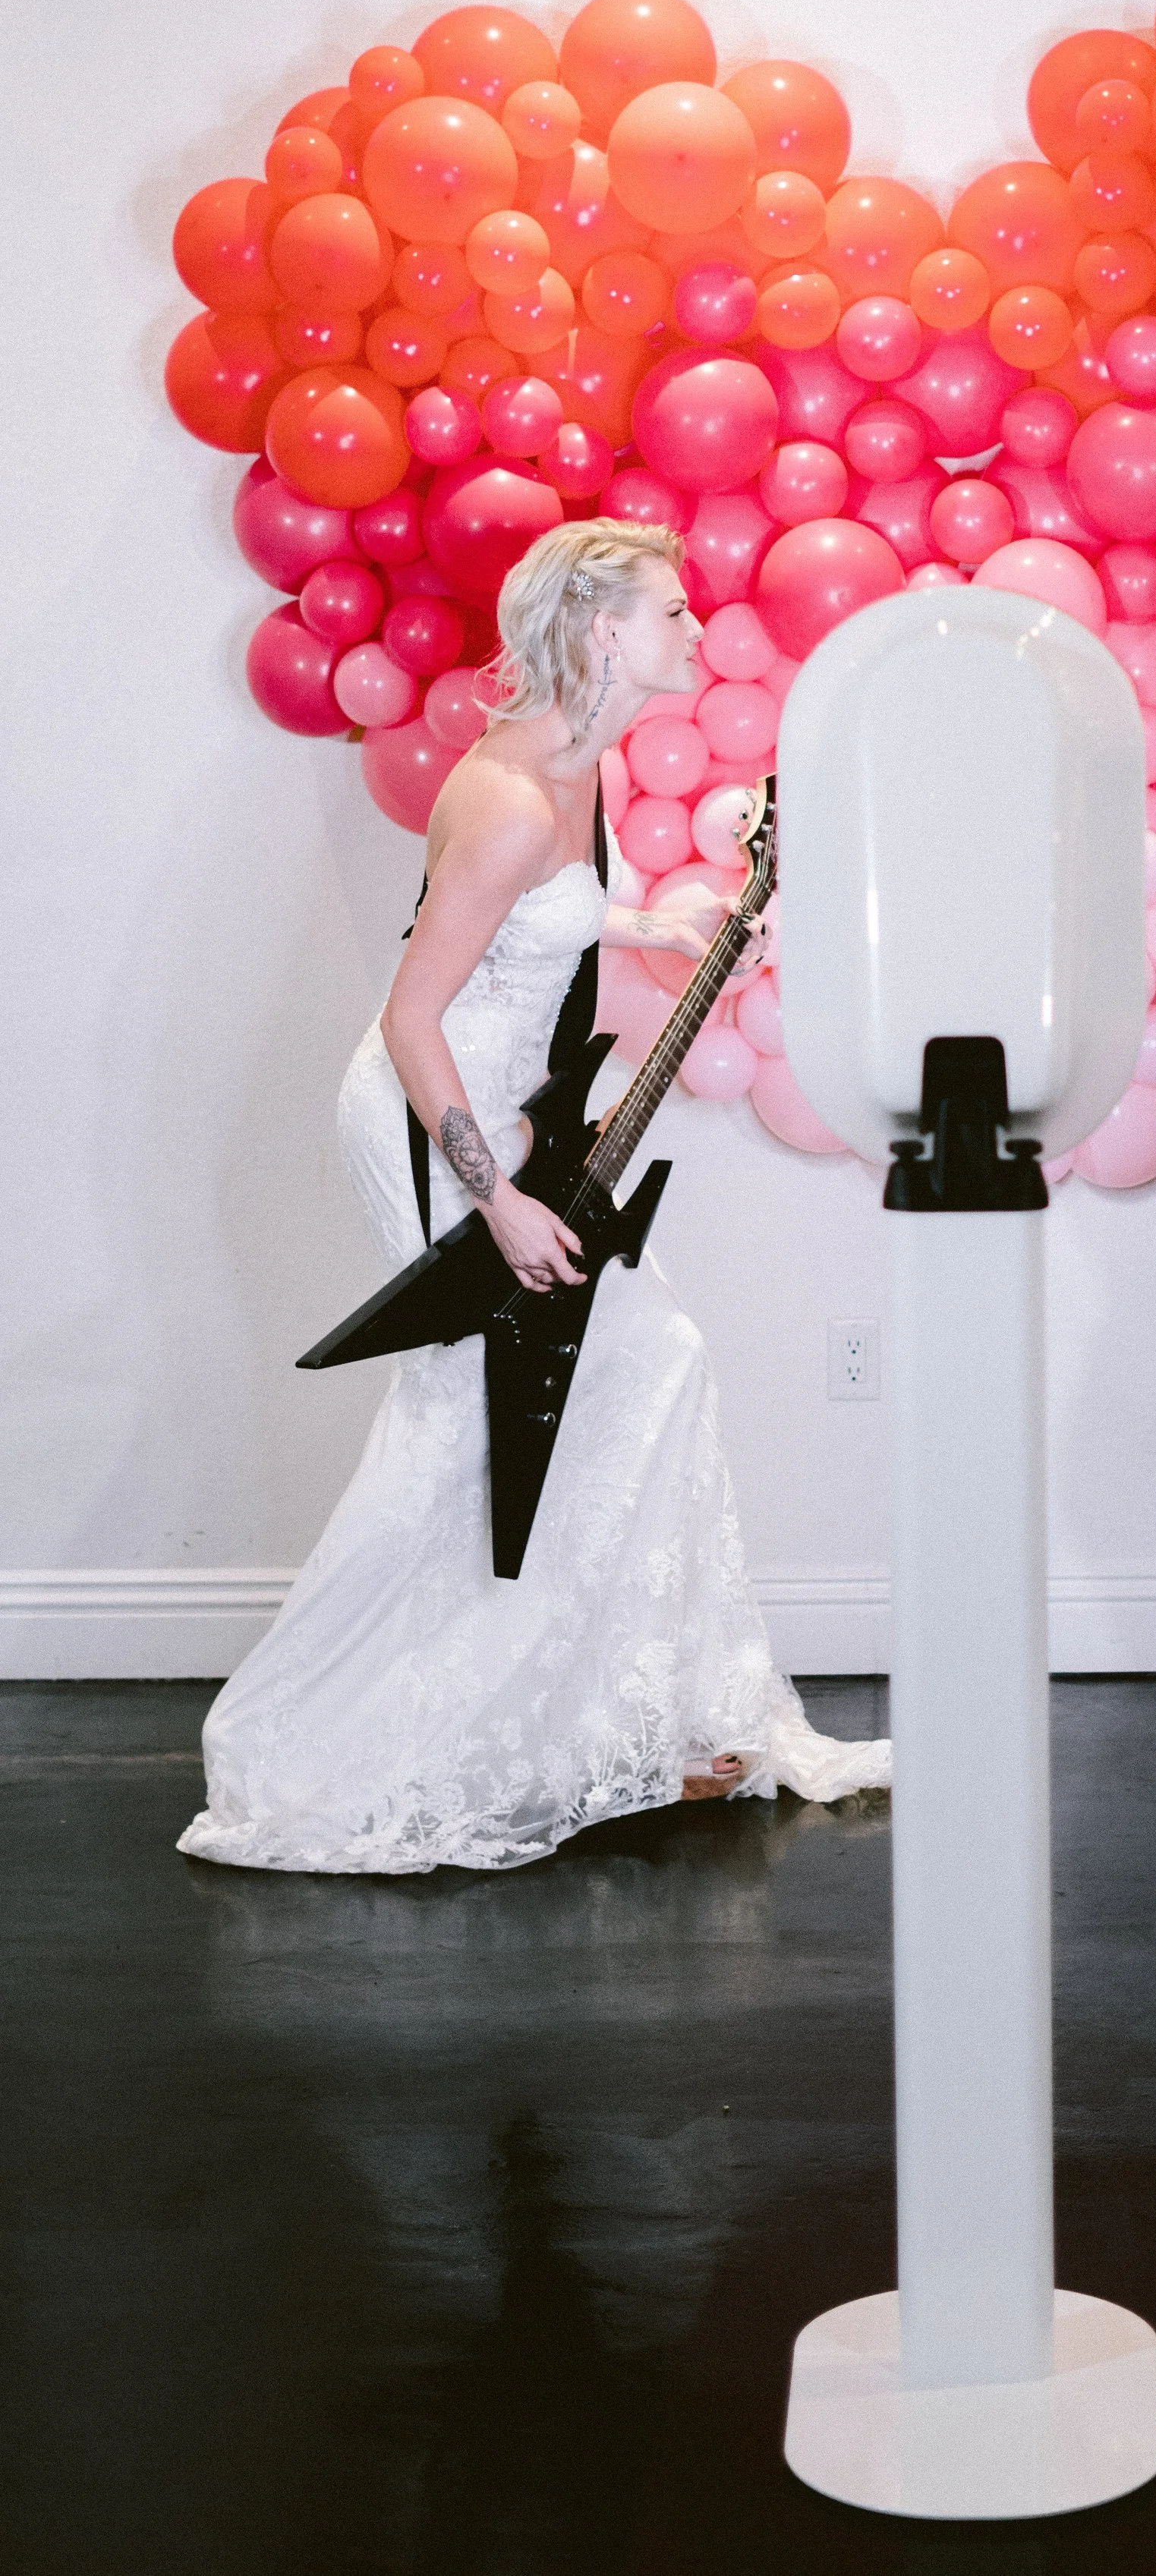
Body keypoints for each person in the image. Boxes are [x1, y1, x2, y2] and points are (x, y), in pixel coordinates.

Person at [181, 518, 889, 1875]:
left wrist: (640, 922)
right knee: (474, 1418)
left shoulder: (591, 762)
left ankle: (596, 1717)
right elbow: (411, 1019)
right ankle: (329, 1742)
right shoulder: (507, 793)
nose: (696, 630)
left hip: (500, 1111)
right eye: (672, 614)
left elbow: (538, 920)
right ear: (600, 632)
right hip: (430, 1121)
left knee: (644, 1363)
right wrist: (496, 1194)